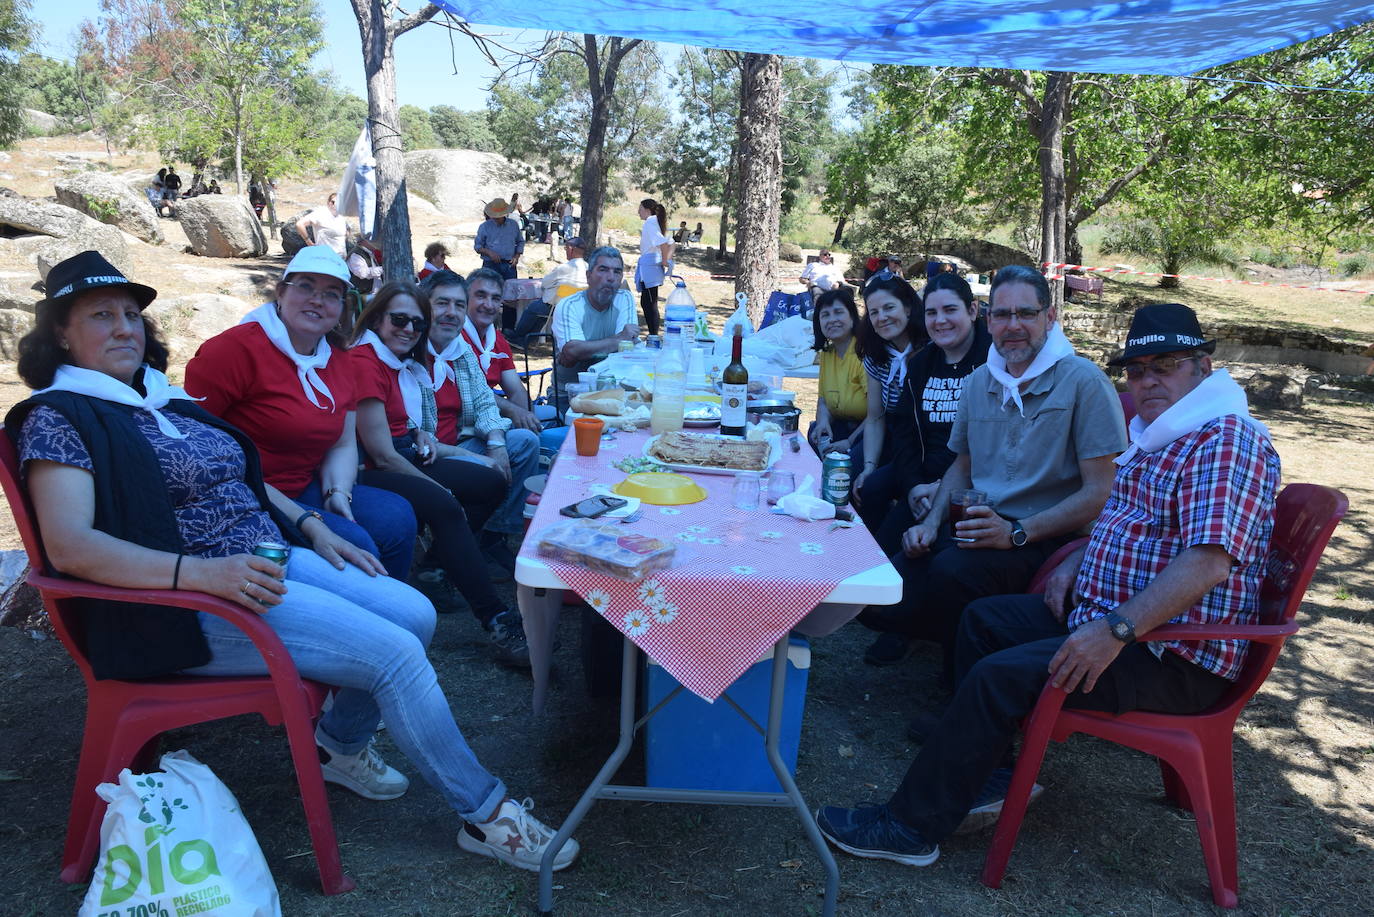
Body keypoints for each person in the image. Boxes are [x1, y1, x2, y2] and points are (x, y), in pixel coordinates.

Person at [9, 250, 578, 873]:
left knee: (414, 612)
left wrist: (312, 526)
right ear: (60, 334)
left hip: (257, 561)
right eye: (101, 316)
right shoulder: (60, 417)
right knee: (394, 654)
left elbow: (246, 481)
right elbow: (70, 547)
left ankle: (339, 746)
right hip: (182, 604)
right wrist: (201, 575)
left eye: (130, 315)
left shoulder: (157, 398)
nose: (124, 328)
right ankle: (486, 814)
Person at [817, 302, 1280, 872]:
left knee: (998, 675)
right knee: (983, 620)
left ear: (1203, 367)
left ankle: (911, 829)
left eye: (1165, 366)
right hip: (1116, 617)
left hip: (1171, 653)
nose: (1147, 381)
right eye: (1138, 371)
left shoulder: (1225, 440)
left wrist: (1113, 631)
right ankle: (987, 774)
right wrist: (1077, 561)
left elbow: (1208, 562)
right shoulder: (1168, 433)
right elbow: (1132, 523)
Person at [858, 265, 1126, 675]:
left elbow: (1100, 494)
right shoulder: (980, 381)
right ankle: (947, 640)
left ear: (1050, 317)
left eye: (1026, 313)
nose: (1012, 325)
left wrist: (1015, 532)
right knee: (876, 597)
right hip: (980, 525)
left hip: (1048, 534)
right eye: (1002, 314)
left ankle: (958, 682)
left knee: (951, 573)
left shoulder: (1084, 382)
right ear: (988, 319)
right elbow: (962, 465)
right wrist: (929, 524)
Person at [185, 246, 417, 582]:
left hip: (304, 486)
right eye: (306, 286)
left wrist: (338, 492)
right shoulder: (232, 350)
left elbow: (342, 443)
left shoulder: (339, 359)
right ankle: (369, 607)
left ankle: (389, 600)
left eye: (331, 294)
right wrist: (305, 519)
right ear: (281, 292)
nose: (317, 300)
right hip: (243, 493)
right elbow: (196, 449)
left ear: (342, 307)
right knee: (357, 542)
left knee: (397, 517)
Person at [346, 282, 530, 666]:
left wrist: (477, 457)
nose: (409, 329)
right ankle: (497, 620)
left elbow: (411, 430)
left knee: (490, 481)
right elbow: (382, 454)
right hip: (365, 469)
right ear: (377, 319)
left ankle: (434, 567)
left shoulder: (399, 361)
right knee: (445, 505)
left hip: (406, 455)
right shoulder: (366, 361)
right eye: (399, 320)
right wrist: (439, 488)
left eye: (416, 323)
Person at [422, 270, 541, 566]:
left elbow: (487, 399)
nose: (451, 313)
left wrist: (500, 438)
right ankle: (450, 553)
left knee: (526, 441)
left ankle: (494, 533)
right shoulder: (416, 348)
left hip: (462, 437)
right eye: (442, 303)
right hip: (428, 451)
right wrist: (509, 420)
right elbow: (414, 435)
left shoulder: (463, 348)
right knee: (490, 476)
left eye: (458, 305)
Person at [873, 272, 993, 556]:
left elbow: (992, 443)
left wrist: (942, 487)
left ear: (972, 310)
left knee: (927, 562)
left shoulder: (993, 361)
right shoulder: (921, 365)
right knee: (881, 552)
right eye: (931, 313)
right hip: (923, 486)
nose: (940, 321)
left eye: (950, 310)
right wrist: (913, 485)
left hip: (970, 490)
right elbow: (904, 434)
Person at [850, 276, 926, 540]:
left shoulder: (930, 348)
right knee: (852, 475)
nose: (881, 317)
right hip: (892, 434)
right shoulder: (876, 353)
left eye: (889, 308)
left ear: (908, 308)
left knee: (875, 487)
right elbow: (875, 417)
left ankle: (878, 544)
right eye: (874, 312)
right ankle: (852, 542)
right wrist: (869, 466)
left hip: (923, 442)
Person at [552, 245, 638, 404]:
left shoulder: (624, 298)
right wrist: (619, 339)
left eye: (617, 272)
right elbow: (572, 352)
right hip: (570, 394)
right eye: (603, 270)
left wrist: (583, 351)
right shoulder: (569, 305)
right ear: (588, 276)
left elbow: (627, 348)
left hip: (613, 392)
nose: (611, 278)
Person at [807, 287, 868, 470]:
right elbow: (823, 401)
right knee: (815, 432)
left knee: (846, 467)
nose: (832, 319)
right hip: (842, 425)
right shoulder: (827, 354)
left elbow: (878, 414)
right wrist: (823, 422)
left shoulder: (864, 353)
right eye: (825, 315)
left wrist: (849, 442)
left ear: (852, 317)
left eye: (838, 312)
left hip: (867, 431)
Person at [510, 235, 588, 346]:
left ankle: (518, 336)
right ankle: (527, 341)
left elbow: (545, 282)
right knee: (539, 311)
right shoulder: (588, 268)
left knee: (532, 309)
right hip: (579, 307)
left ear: (571, 249)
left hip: (556, 306)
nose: (565, 251)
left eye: (566, 248)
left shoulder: (564, 268)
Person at [633, 198, 673, 336]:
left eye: (640, 209)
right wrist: (665, 259)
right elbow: (670, 243)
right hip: (649, 264)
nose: (638, 212)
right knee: (648, 302)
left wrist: (665, 260)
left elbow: (663, 243)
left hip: (650, 265)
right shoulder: (654, 222)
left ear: (647, 210)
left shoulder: (650, 222)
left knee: (649, 302)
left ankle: (654, 336)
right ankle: (653, 335)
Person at [474, 198, 523, 281]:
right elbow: (477, 246)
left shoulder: (513, 225)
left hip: (509, 265)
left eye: (499, 216)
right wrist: (489, 253)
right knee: (489, 287)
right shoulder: (484, 227)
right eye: (495, 216)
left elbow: (520, 241)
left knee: (509, 288)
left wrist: (516, 256)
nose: (497, 218)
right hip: (490, 265)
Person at [297, 193, 349, 258]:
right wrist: (308, 242)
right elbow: (300, 224)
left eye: (338, 203)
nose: (335, 204)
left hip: (341, 258)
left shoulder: (341, 217)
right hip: (325, 257)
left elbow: (346, 232)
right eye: (333, 202)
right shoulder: (321, 214)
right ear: (328, 203)